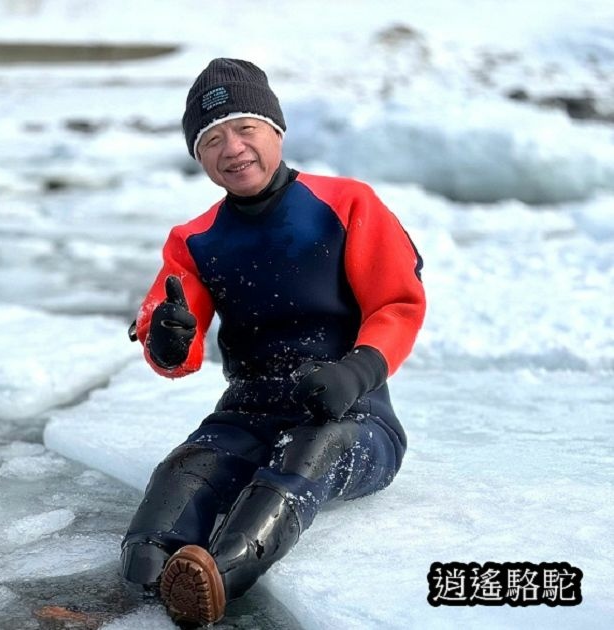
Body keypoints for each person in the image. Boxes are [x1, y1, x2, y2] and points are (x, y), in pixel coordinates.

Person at [121, 58, 426, 625]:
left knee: (311, 452)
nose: (232, 148)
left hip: (351, 420)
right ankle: (141, 586)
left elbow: (398, 304)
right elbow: (172, 334)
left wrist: (354, 372)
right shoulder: (194, 240)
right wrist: (166, 338)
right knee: (176, 481)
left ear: (276, 131)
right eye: (211, 139)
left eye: (245, 128)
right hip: (246, 417)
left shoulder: (347, 204)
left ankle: (219, 575)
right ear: (199, 156)